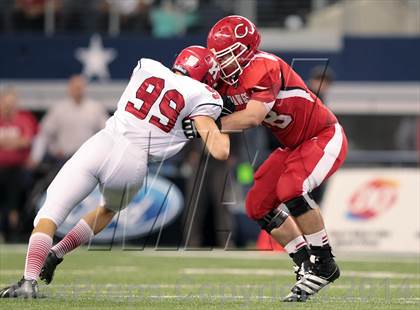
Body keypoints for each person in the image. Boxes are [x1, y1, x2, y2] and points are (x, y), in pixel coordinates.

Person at [0, 45, 230, 298]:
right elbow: (219, 151)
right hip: (134, 162)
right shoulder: (203, 95)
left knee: (49, 214)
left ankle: (28, 281)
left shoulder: (147, 66)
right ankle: (58, 252)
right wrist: (198, 127)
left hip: (103, 142)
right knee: (107, 210)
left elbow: (153, 102)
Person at [184, 16, 347, 302]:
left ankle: (324, 262)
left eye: (227, 55)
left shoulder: (264, 66)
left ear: (246, 49)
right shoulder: (223, 81)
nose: (221, 63)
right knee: (257, 203)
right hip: (292, 146)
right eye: (218, 57)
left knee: (291, 188)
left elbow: (252, 116)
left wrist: (208, 127)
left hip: (322, 135)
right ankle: (304, 261)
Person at [29, 75, 109, 169]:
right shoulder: (58, 109)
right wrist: (52, 150)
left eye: (80, 87)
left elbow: (107, 133)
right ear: (69, 89)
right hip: (63, 159)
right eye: (75, 87)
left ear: (84, 88)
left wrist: (99, 151)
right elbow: (44, 133)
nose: (78, 90)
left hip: (88, 159)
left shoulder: (95, 108)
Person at [0, 89, 38, 242]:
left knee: (14, 201)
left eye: (11, 103)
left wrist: (6, 143)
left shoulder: (24, 118)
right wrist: (15, 143)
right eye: (5, 103)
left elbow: (27, 141)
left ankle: (12, 232)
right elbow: (20, 141)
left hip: (17, 169)